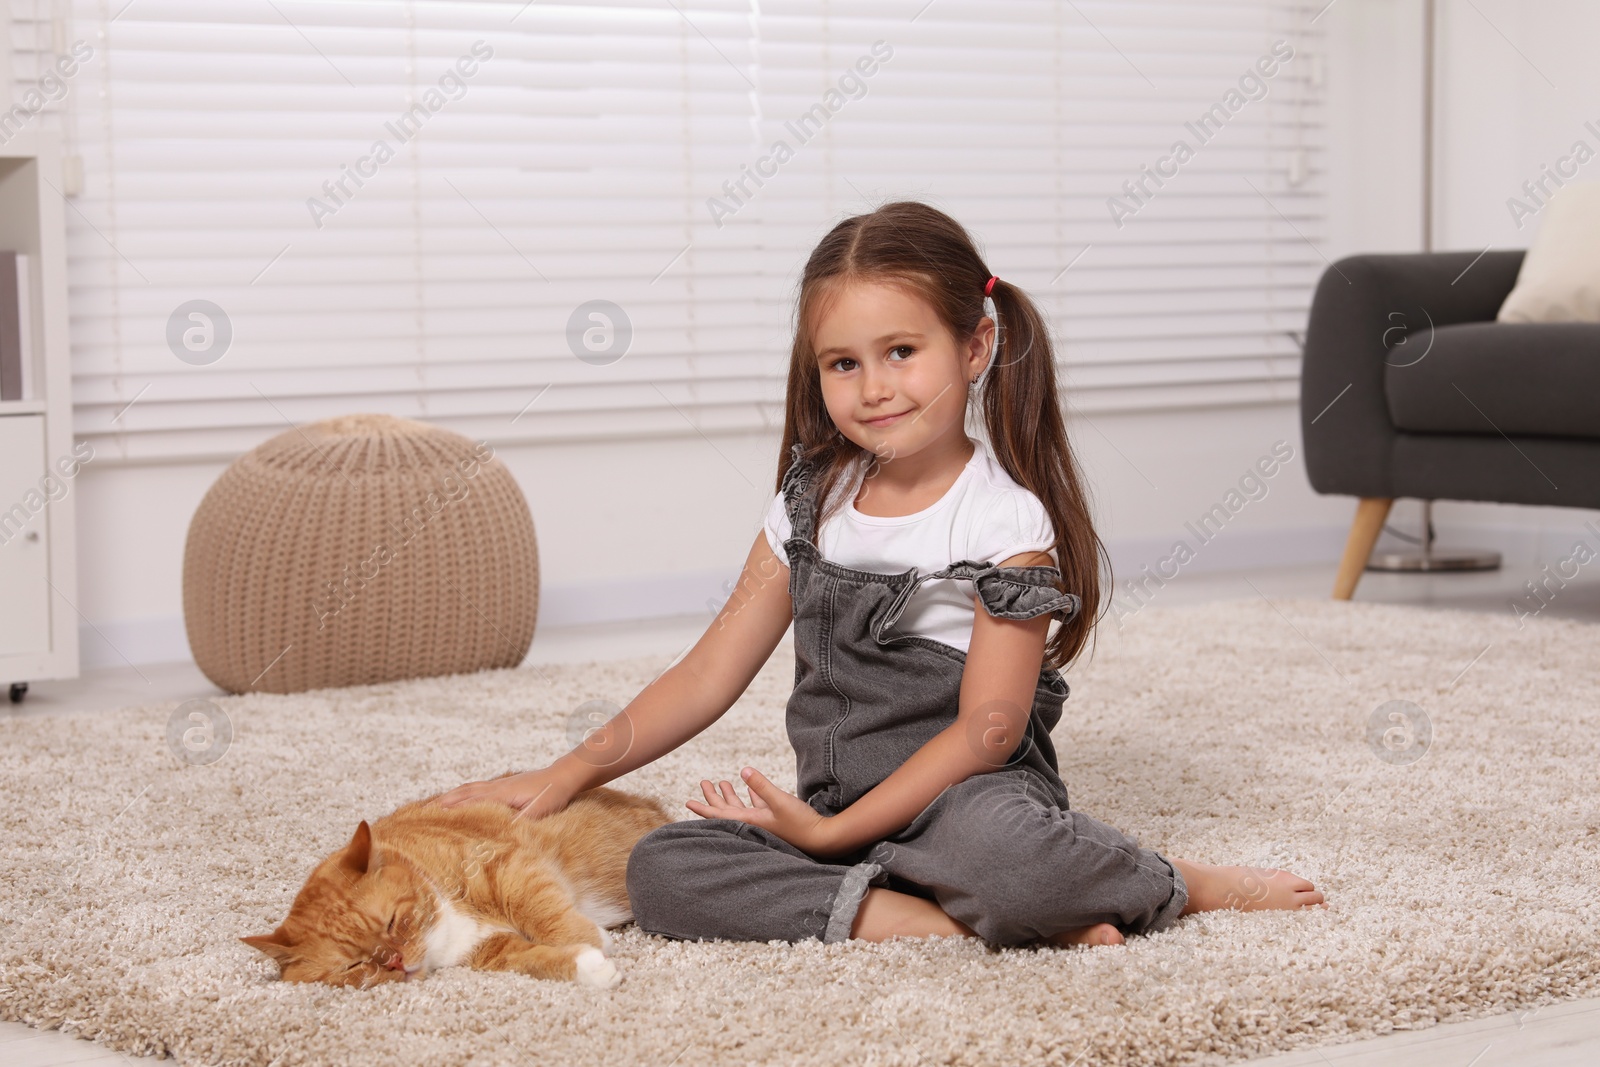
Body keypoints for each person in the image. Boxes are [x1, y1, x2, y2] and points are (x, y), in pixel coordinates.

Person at [435, 200, 1325, 948]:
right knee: (663, 871)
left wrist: (833, 836)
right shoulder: (810, 500)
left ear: (975, 348)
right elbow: (709, 673)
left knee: (1011, 859)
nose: (873, 388)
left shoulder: (1003, 518)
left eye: (902, 351)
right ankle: (931, 920)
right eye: (843, 363)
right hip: (832, 806)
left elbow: (986, 730)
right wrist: (565, 773)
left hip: (968, 799)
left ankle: (1169, 883)